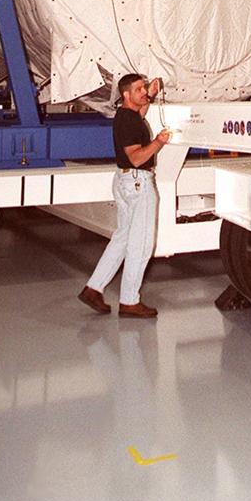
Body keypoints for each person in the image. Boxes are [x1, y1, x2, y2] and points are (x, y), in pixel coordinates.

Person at [78, 74, 170, 319]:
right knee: (141, 245)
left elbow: (140, 114)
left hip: (125, 181)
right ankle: (130, 301)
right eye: (139, 89)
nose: (143, 92)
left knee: (122, 239)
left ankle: (93, 288)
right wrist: (159, 142)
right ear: (126, 94)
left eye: (144, 88)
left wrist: (150, 93)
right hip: (138, 182)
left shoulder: (127, 115)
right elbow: (137, 157)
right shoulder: (128, 121)